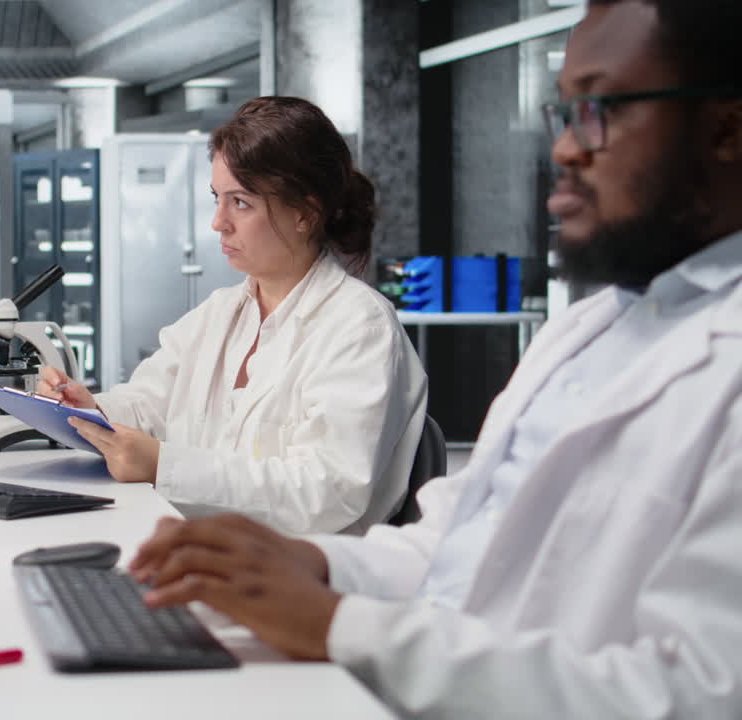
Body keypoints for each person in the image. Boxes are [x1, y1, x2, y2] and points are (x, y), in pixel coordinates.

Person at [128, 1, 742, 717]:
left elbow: (701, 695)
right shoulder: (592, 328)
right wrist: (312, 564)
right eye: (565, 114)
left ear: (726, 128)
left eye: (601, 109)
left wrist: (339, 623)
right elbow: (454, 545)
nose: (567, 149)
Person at [39, 96, 428, 535]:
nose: (218, 223)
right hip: (205, 549)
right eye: (217, 198)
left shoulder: (360, 326)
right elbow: (148, 407)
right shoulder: (221, 313)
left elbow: (329, 490)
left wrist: (165, 465)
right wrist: (85, 407)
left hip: (300, 575)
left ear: (305, 213)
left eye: (240, 203)